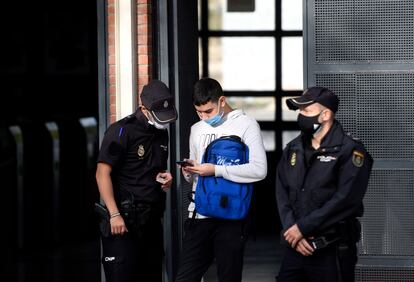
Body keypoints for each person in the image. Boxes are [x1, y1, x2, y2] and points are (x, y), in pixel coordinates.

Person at [275, 86, 373, 282]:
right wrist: (292, 229)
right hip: (295, 247)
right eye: (300, 111)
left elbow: (346, 199)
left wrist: (302, 227)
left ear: (326, 114)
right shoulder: (293, 148)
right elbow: (281, 191)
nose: (301, 116)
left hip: (331, 249)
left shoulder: (350, 150)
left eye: (307, 111)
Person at [175, 77, 267, 282]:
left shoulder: (246, 124)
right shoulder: (196, 129)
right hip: (200, 214)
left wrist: (216, 170)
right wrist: (189, 171)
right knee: (185, 277)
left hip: (231, 216)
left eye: (208, 111)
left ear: (222, 101)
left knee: (228, 277)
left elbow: (260, 170)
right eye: (198, 112)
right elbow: (195, 176)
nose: (204, 117)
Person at [95, 80, 177, 282]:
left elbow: (150, 170)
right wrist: (114, 214)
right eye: (159, 115)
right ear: (144, 108)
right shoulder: (122, 130)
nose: (163, 121)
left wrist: (163, 178)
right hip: (123, 221)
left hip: (151, 221)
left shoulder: (161, 132)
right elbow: (101, 173)